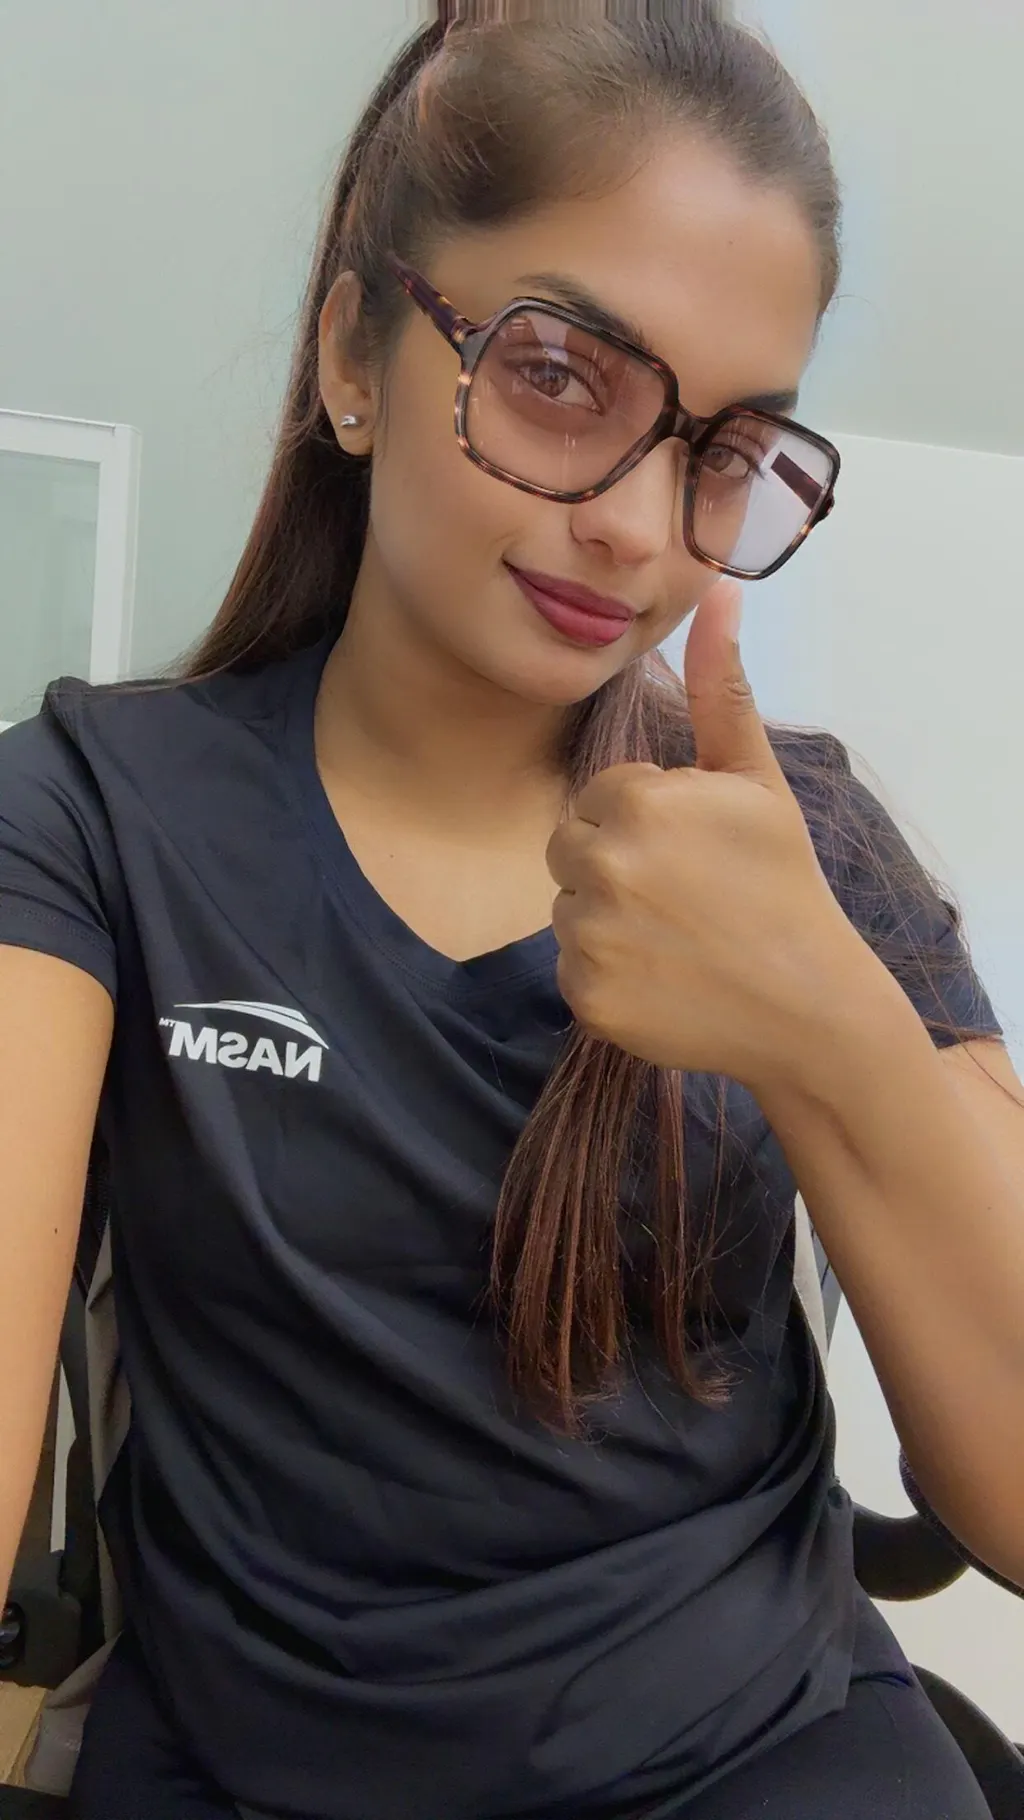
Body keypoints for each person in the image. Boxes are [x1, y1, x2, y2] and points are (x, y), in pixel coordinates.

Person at [1, 3, 1022, 1816]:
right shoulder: (94, 816)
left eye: (728, 449)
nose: (639, 525)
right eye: (560, 374)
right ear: (355, 354)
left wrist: (832, 1026)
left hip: (767, 1756)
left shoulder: (802, 842)